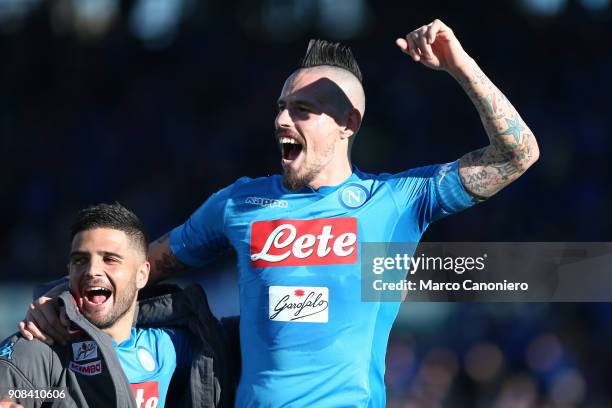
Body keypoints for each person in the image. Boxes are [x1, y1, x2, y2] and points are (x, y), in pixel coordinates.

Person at [22, 20, 539, 407]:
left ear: (347, 124)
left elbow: (518, 155)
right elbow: (142, 268)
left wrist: (459, 65)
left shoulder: (397, 200)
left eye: (302, 110)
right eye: (280, 106)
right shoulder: (240, 203)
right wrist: (61, 299)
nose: (281, 119)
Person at [2, 204, 236, 407]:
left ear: (142, 274)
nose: (92, 271)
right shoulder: (37, 349)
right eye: (80, 260)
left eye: (110, 259)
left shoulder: (176, 346)